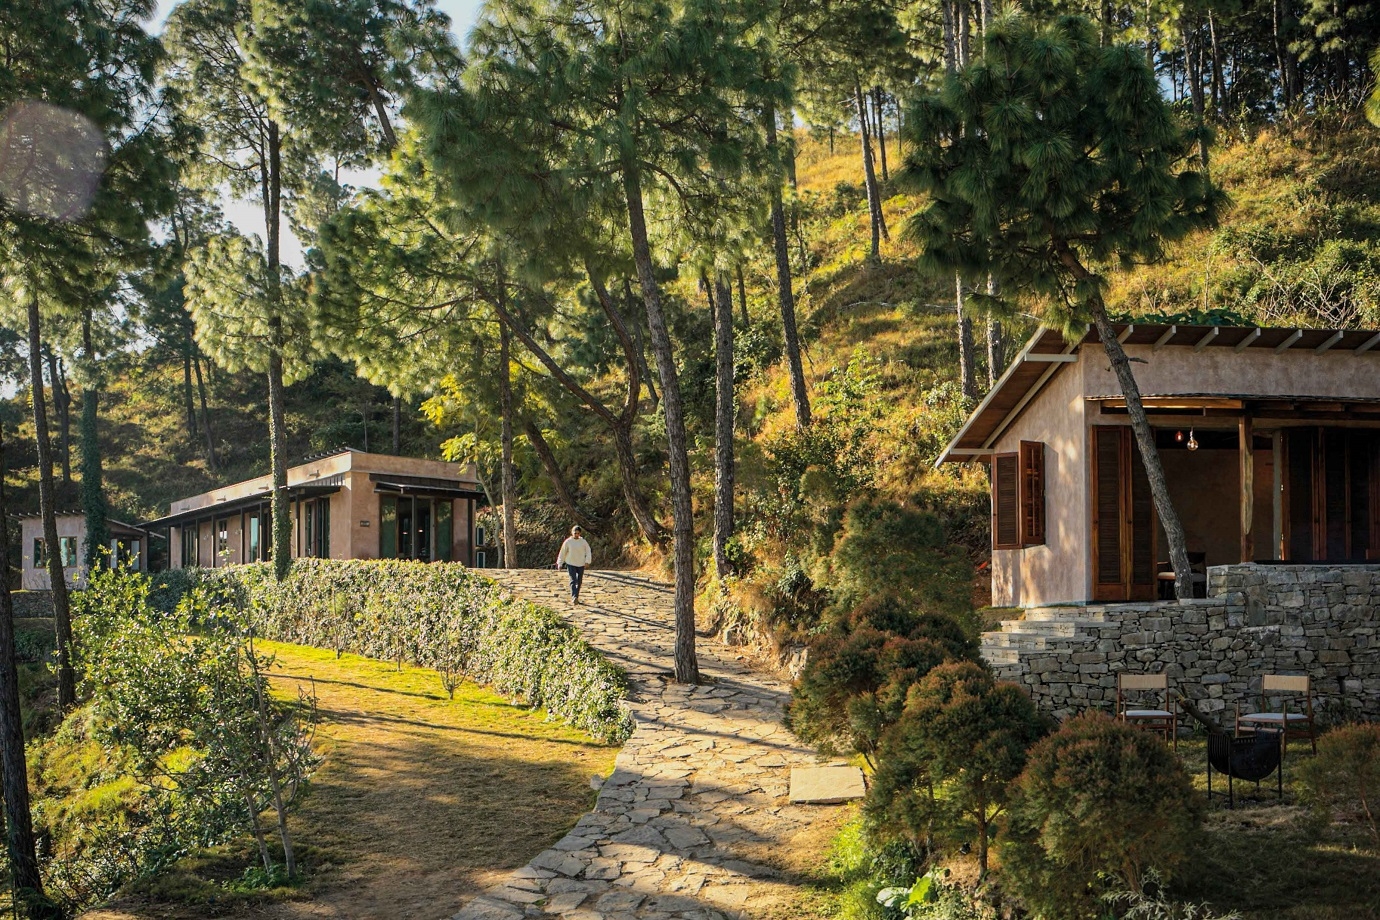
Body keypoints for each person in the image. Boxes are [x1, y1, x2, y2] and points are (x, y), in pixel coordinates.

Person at [556, 525, 592, 604]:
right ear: (572, 533)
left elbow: (588, 551)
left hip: (580, 563)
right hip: (571, 563)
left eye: (578, 533)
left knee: (579, 581)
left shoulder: (583, 542)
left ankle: (576, 596)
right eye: (575, 533)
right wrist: (560, 563)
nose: (576, 535)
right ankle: (574, 596)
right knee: (573, 580)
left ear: (580, 533)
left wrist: (587, 561)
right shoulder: (568, 542)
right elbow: (563, 552)